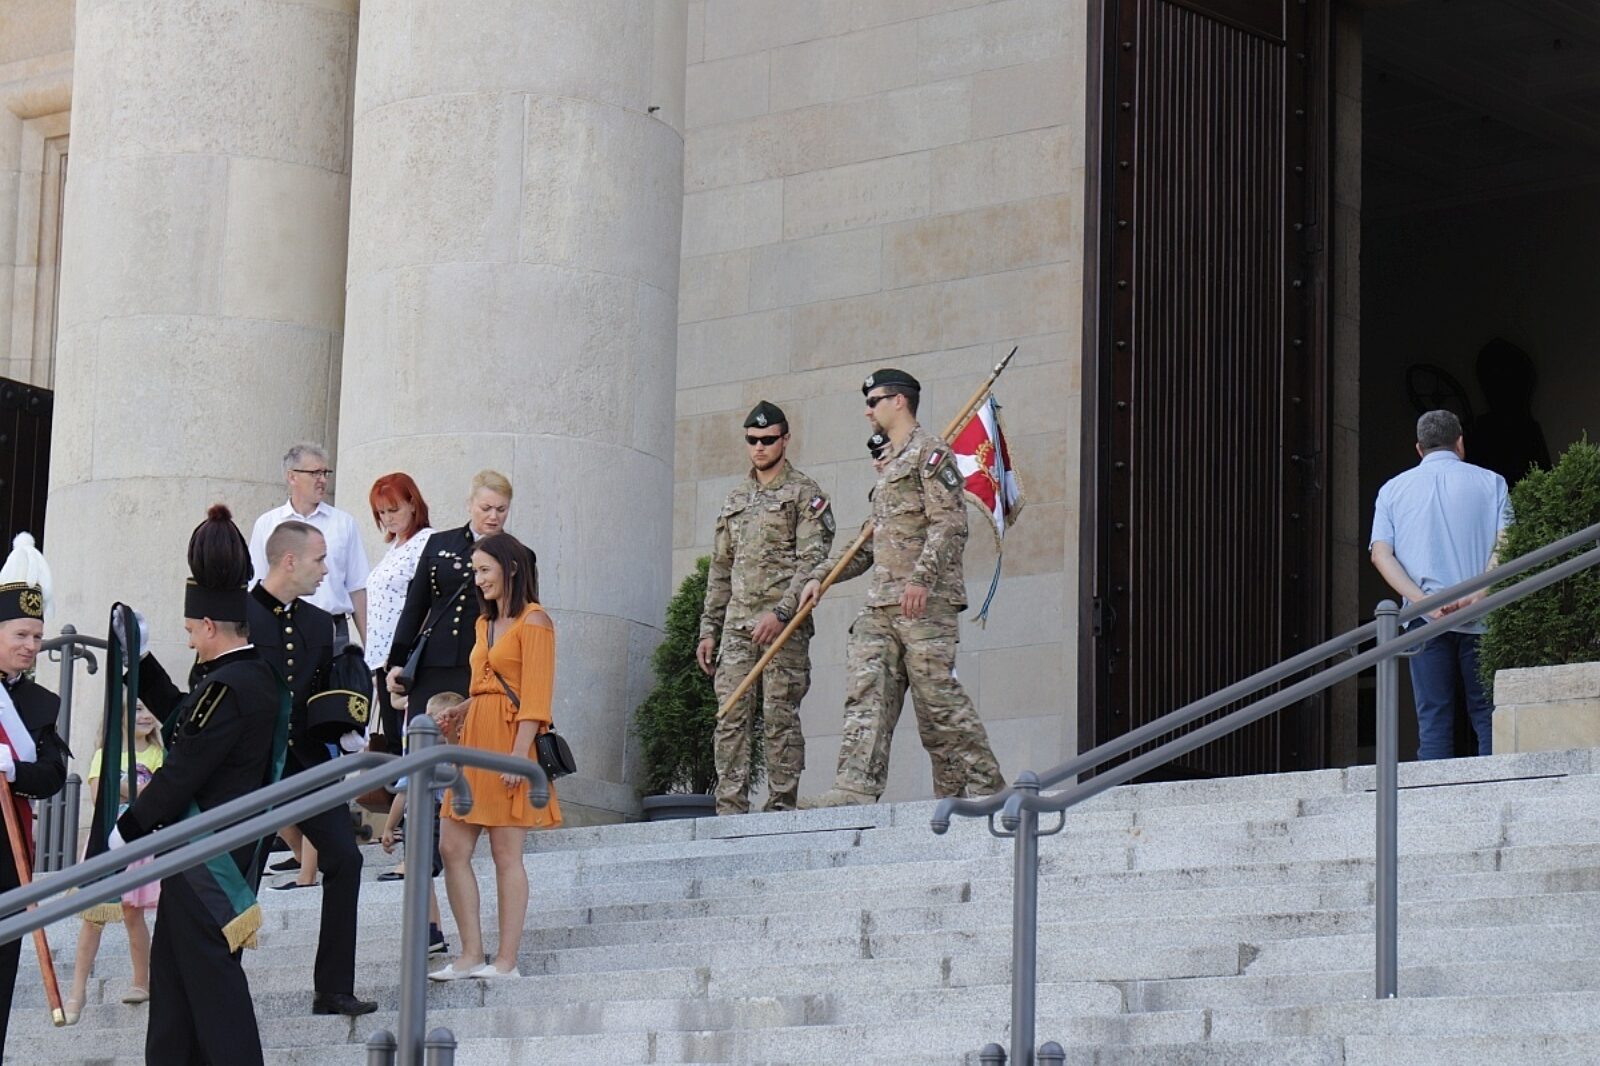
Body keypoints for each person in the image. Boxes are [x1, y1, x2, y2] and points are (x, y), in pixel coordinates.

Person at [109, 506, 287, 1066]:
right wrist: (139, 660)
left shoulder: (228, 688)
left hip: (206, 860)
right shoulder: (246, 677)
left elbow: (184, 765)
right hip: (208, 856)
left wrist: (126, 829)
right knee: (176, 995)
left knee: (212, 997)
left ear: (210, 626)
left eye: (189, 632)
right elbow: (185, 719)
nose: (189, 643)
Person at [797, 369, 1005, 807]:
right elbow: (868, 542)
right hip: (881, 605)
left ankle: (988, 788)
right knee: (866, 691)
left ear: (899, 401)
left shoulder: (931, 454)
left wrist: (921, 579)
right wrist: (822, 577)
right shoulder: (891, 467)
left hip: (924, 604)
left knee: (938, 702)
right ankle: (855, 787)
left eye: (873, 401)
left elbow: (950, 523)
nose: (867, 410)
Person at [429, 533, 560, 981]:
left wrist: (519, 758)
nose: (478, 579)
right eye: (476, 571)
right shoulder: (483, 623)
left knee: (506, 853)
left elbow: (535, 698)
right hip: (474, 741)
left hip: (510, 743)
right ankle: (470, 953)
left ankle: (506, 961)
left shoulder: (535, 620)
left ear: (511, 569)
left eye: (485, 570)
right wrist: (461, 710)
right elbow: (486, 685)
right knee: (451, 846)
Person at [696, 401, 833, 814]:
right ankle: (730, 809)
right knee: (730, 716)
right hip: (737, 627)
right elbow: (721, 569)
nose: (759, 447)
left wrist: (782, 614)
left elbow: (813, 562)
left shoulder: (805, 494)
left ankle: (780, 808)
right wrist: (709, 629)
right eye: (752, 440)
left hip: (784, 627)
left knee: (779, 718)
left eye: (768, 439)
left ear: (785, 440)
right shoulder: (736, 498)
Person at [1371, 409, 1512, 760]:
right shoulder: (1492, 483)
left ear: (1419, 448)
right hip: (1482, 615)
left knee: (1433, 718)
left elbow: (1381, 555)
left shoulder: (1392, 490)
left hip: (1423, 620)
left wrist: (1422, 602)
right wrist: (1478, 595)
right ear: (1460, 443)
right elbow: (1507, 544)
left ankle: (1432, 794)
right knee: (1488, 714)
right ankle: (1494, 786)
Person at [0, 532, 69, 1059]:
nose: (31, 644)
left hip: (8, 855)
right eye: (21, 633)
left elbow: (51, 775)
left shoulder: (42, 701)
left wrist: (13, 768)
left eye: (38, 636)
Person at [65, 704, 164, 1023]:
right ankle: (77, 991)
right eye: (137, 709)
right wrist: (133, 790)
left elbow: (154, 796)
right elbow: (98, 796)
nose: (146, 716)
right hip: (106, 839)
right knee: (93, 917)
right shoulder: (104, 754)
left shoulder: (158, 755)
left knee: (133, 913)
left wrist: (117, 785)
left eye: (150, 710)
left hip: (139, 839)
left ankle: (141, 982)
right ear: (120, 716)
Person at [386, 470, 513, 718]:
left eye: (501, 509)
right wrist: (397, 661)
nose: (493, 516)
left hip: (484, 663)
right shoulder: (440, 543)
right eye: (486, 508)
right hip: (433, 660)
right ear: (470, 505)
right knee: (424, 732)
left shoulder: (518, 554)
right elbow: (416, 605)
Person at [247, 442, 371, 650]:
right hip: (279, 630)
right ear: (292, 476)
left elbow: (357, 588)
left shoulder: (344, 523)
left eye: (325, 473)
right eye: (315, 473)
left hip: (333, 632)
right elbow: (256, 584)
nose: (323, 480)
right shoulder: (267, 524)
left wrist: (371, 650)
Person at [378, 690, 460, 956]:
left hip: (435, 816)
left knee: (421, 873)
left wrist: (390, 827)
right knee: (420, 874)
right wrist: (389, 827)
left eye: (434, 718)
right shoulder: (423, 753)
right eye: (427, 716)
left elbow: (404, 792)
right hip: (419, 818)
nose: (428, 723)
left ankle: (431, 930)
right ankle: (431, 930)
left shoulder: (451, 753)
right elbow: (402, 793)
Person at [365, 473, 435, 746]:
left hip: (404, 655)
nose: (388, 519)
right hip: (381, 657)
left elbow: (425, 601)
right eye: (381, 513)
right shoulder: (395, 546)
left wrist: (406, 656)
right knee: (392, 738)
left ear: (413, 504)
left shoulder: (426, 541)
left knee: (405, 737)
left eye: (393, 510)